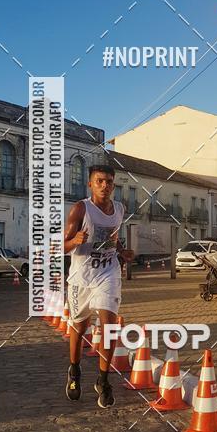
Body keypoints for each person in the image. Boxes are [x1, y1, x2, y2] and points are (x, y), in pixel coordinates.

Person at [63, 165, 134, 408]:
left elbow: (112, 238)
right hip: (81, 277)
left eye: (110, 182)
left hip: (108, 273)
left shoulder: (120, 209)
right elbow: (61, 247)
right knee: (79, 327)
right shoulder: (81, 209)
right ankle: (74, 371)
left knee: (109, 325)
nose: (105, 186)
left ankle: (103, 381)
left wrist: (123, 251)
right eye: (100, 181)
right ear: (90, 184)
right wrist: (74, 241)